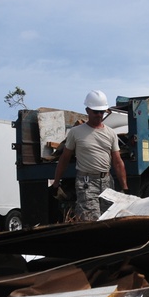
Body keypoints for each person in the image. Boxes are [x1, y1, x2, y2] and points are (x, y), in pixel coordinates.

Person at [50, 90, 129, 221]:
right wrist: (56, 183)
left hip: (107, 182)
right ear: (87, 110)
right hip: (86, 183)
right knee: (91, 220)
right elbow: (64, 158)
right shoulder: (76, 132)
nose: (99, 115)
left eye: (102, 112)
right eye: (95, 111)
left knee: (109, 219)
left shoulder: (111, 134)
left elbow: (117, 161)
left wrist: (125, 188)